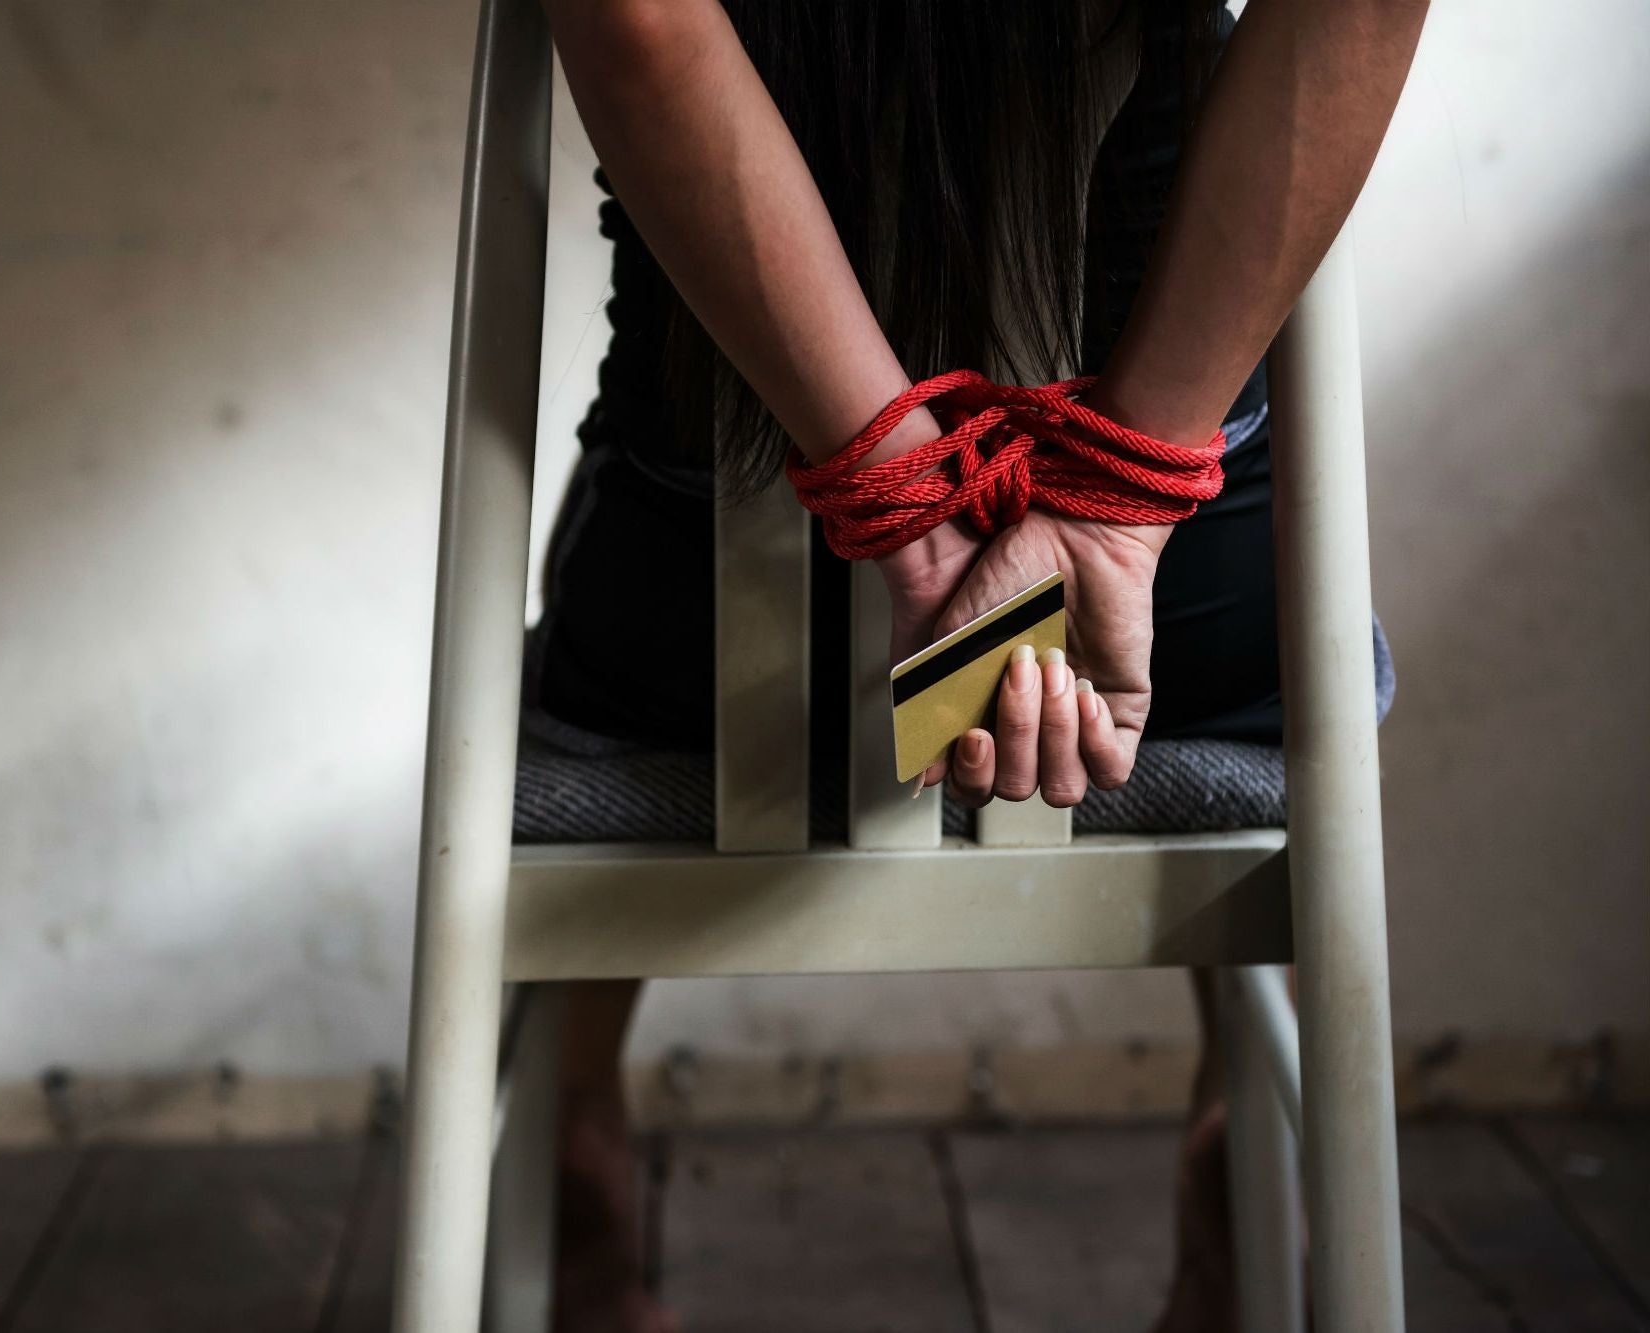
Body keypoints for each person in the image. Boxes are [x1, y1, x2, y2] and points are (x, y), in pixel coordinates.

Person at [530, 1, 1429, 1328]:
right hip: (1186, 623)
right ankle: (1243, 1129)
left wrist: (900, 499)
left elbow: (642, 17)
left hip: (694, 641)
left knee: (591, 686)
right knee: (1286, 683)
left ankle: (573, 1128)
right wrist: (1116, 515)